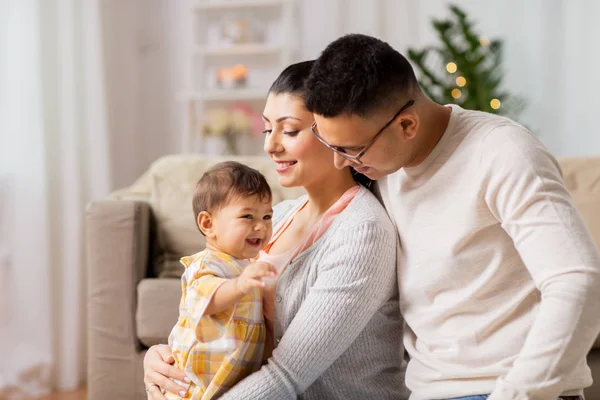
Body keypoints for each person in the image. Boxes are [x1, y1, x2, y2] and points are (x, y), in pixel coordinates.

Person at [304, 33, 600, 400]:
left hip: (508, 388)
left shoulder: (503, 153)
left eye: (351, 148)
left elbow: (578, 279)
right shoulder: (382, 167)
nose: (339, 161)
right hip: (428, 390)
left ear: (407, 125)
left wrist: (518, 394)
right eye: (328, 142)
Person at [143, 60, 409, 400]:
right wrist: (162, 359)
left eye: (290, 130)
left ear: (336, 130)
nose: (271, 146)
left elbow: (286, 377)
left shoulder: (362, 232)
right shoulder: (277, 217)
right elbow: (215, 318)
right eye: (269, 129)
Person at [161, 161, 276, 399]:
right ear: (208, 224)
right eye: (247, 216)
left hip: (232, 379)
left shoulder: (247, 266)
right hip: (194, 385)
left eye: (267, 216)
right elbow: (209, 299)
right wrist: (241, 284)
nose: (260, 226)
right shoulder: (205, 265)